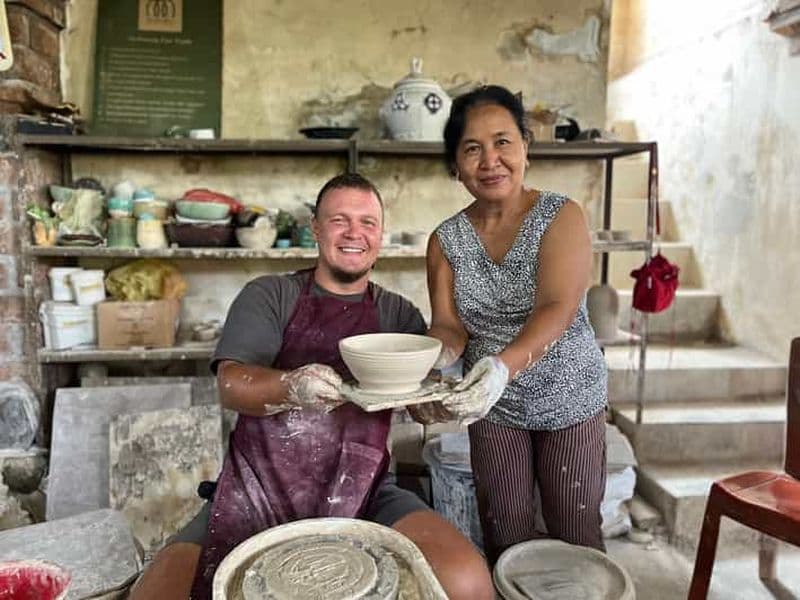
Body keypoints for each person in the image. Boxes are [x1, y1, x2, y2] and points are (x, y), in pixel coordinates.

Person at [128, 173, 494, 600]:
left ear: (381, 235)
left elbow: (413, 400)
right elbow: (231, 384)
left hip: (365, 489)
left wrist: (439, 405)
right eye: (339, 220)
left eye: (368, 222)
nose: (355, 232)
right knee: (156, 595)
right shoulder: (270, 295)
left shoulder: (398, 314)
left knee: (466, 581)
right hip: (257, 488)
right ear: (316, 228)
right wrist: (291, 386)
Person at [422, 85, 609, 565]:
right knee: (505, 531)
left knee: (574, 532)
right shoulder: (446, 240)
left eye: (502, 141)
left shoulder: (560, 216)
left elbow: (556, 306)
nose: (490, 160)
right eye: (472, 148)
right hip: (495, 405)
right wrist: (428, 371)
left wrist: (501, 367)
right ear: (455, 165)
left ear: (525, 145)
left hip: (568, 394)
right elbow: (449, 326)